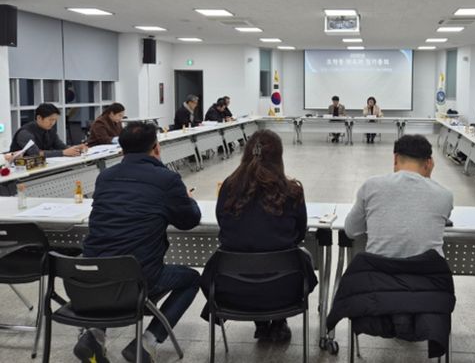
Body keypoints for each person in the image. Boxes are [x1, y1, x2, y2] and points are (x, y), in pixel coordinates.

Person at [74, 122, 201, 363]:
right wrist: (188, 199)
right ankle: (147, 342)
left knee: (114, 267)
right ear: (156, 148)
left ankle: (94, 335)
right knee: (192, 279)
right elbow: (189, 221)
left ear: (122, 150)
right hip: (138, 278)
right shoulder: (167, 179)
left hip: (92, 278)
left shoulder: (105, 177)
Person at [201, 130, 317, 341]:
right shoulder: (292, 191)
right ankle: (278, 322)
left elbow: (223, 225)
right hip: (285, 289)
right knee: (300, 258)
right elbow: (299, 233)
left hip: (233, 289)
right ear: (279, 157)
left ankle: (261, 323)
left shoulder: (228, 188)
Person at [344, 134, 453, 258]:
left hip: (379, 269)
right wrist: (427, 179)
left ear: (395, 158)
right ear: (429, 163)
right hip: (427, 270)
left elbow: (351, 230)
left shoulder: (371, 185)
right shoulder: (445, 195)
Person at [9, 103, 87, 157]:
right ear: (39, 118)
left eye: (55, 120)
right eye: (50, 120)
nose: (53, 123)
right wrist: (63, 152)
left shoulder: (50, 130)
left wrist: (76, 148)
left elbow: (60, 146)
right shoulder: (25, 133)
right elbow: (35, 153)